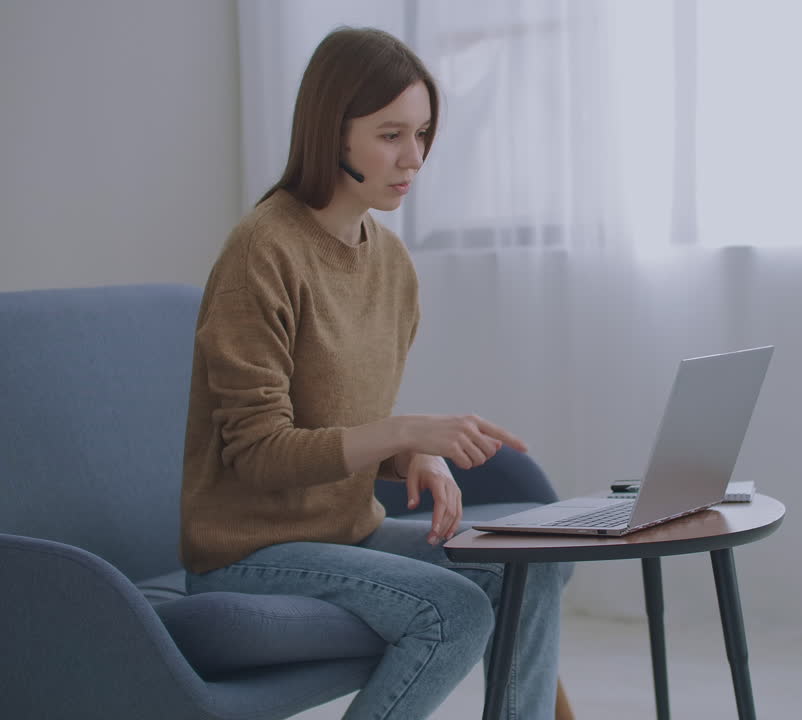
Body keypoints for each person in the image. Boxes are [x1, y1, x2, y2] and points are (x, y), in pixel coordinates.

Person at [179, 26, 568, 719]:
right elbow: (258, 454)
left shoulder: (391, 265)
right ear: (333, 133)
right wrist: (404, 430)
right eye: (391, 135)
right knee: (452, 609)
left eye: (422, 134)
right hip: (246, 552)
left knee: (534, 564)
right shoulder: (262, 251)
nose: (413, 158)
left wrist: (408, 453)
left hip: (345, 532)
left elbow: (335, 429)